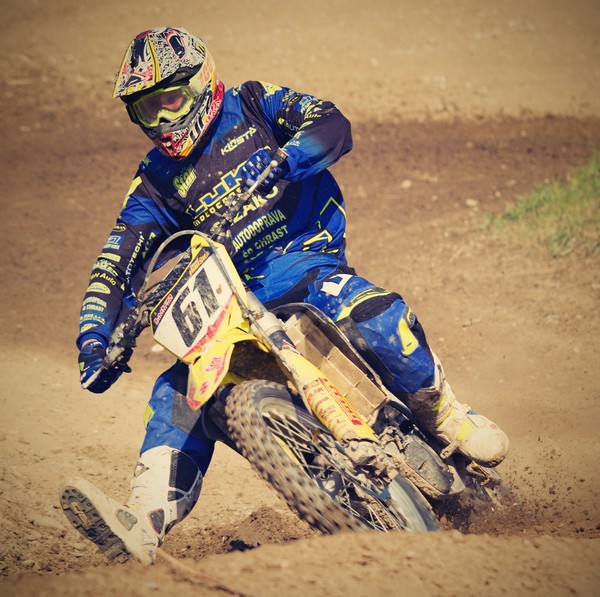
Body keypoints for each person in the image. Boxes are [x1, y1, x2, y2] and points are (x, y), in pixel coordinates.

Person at [61, 27, 509, 565]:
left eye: (169, 102)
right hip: (232, 302)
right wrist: (95, 338)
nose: (161, 121)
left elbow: (330, 122)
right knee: (176, 393)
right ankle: (143, 520)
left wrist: (285, 159)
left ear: (201, 83)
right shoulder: (155, 181)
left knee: (377, 315)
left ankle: (444, 414)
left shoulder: (254, 104)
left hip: (306, 265)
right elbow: (116, 261)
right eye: (145, 110)